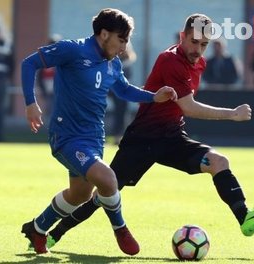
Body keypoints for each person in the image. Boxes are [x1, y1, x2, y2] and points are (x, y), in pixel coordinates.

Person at [34, 13, 254, 250]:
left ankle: (245, 217)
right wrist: (232, 114)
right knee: (103, 193)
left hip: (172, 137)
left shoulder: (199, 62)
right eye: (194, 41)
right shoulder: (170, 60)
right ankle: (55, 233)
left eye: (204, 44)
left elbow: (181, 108)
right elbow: (188, 107)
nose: (198, 49)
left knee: (219, 161)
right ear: (182, 36)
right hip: (143, 139)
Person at [20, 8, 177, 255]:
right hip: (67, 136)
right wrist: (31, 103)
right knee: (107, 179)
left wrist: (153, 97)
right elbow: (29, 64)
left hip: (94, 138)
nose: (124, 47)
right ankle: (120, 228)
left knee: (80, 194)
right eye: (121, 40)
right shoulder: (72, 50)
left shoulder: (113, 63)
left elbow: (124, 90)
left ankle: (37, 228)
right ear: (104, 34)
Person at [109, 42, 137, 144]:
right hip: (109, 87)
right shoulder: (112, 59)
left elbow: (127, 79)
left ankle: (118, 136)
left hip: (120, 89)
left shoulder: (126, 63)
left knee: (121, 112)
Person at [36, 34, 62, 119]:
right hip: (48, 89)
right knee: (49, 109)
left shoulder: (63, 57)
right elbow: (40, 76)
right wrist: (42, 89)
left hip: (59, 90)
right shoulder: (45, 57)